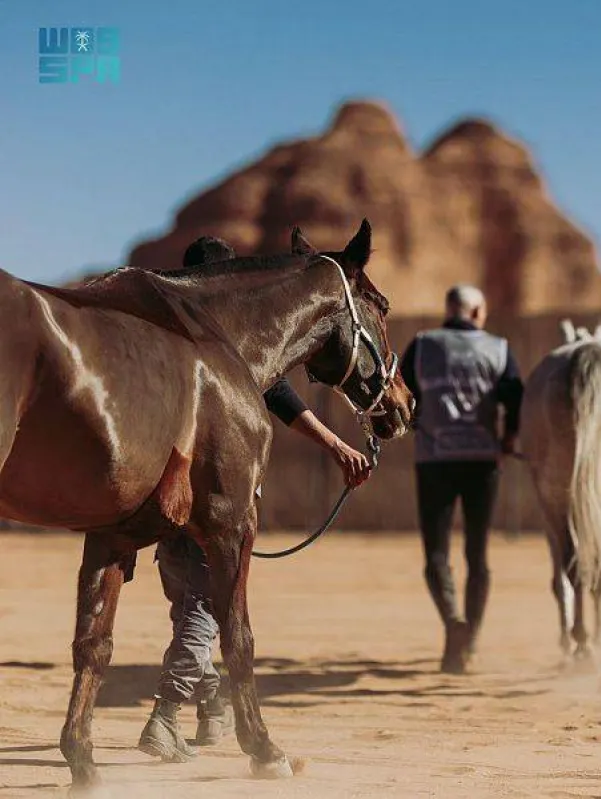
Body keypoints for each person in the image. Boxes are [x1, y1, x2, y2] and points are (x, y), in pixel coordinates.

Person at [137, 236, 375, 763]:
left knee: (190, 608)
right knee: (203, 608)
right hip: (212, 505)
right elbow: (282, 398)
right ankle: (165, 715)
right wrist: (338, 446)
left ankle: (211, 705)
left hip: (160, 504)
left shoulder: (168, 348)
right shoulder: (228, 351)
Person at [398, 285, 524, 674]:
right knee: (477, 555)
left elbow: (400, 394)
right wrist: (507, 439)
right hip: (482, 462)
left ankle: (453, 621)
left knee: (436, 554)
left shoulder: (422, 345)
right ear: (477, 311)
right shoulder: (499, 349)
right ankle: (469, 642)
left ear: (450, 309)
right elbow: (514, 397)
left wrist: (418, 424)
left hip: (434, 459)